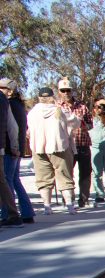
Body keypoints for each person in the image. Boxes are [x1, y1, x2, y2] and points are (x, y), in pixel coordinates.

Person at [27, 86, 78, 214]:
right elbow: (75, 122)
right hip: (59, 147)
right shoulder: (59, 110)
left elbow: (28, 131)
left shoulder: (32, 113)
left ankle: (47, 207)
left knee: (43, 178)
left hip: (38, 148)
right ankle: (70, 206)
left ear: (39, 98)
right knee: (65, 176)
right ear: (52, 97)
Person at [0, 78, 35, 224]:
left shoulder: (9, 104)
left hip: (10, 149)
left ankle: (9, 214)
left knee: (6, 182)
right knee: (13, 180)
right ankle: (26, 212)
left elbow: (12, 128)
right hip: (14, 148)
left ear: (10, 90)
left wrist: (13, 147)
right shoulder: (17, 104)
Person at [57, 77, 92, 207]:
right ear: (59, 91)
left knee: (85, 172)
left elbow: (90, 124)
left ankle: (84, 198)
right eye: (63, 90)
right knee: (66, 173)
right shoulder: (57, 107)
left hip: (82, 143)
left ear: (72, 91)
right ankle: (68, 198)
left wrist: (84, 126)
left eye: (68, 90)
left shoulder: (82, 106)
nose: (66, 93)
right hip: (66, 145)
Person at [0, 88, 23, 226]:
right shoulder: (4, 100)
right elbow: (12, 126)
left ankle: (13, 215)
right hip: (2, 147)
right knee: (2, 182)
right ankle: (13, 215)